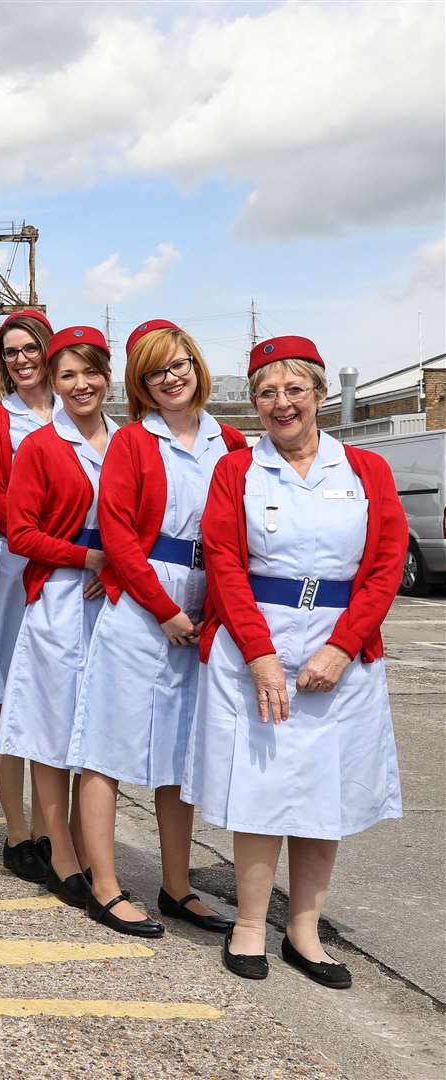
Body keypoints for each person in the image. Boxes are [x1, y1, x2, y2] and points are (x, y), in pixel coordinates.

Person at [186, 336, 405, 988]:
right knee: (260, 791)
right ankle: (252, 923)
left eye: (294, 390)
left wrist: (343, 645)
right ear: (254, 402)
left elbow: (388, 563)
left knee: (324, 793)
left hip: (341, 651)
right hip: (258, 647)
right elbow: (224, 566)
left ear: (319, 394)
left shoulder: (365, 470)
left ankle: (305, 931)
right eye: (266, 392)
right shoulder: (237, 472)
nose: (281, 403)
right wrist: (259, 656)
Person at [66, 321, 246, 937]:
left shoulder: (233, 444)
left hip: (208, 599)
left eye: (178, 365)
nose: (171, 378)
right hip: (146, 604)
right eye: (154, 372)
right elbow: (116, 534)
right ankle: (107, 887)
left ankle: (177, 887)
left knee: (181, 754)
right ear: (140, 385)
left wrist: (216, 614)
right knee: (108, 747)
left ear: (196, 365)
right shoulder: (133, 444)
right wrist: (162, 608)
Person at [0, 325, 118, 909]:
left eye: (88, 372)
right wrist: (89, 556)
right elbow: (19, 533)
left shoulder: (130, 442)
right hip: (60, 596)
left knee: (95, 731)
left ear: (107, 374)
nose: (79, 384)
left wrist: (117, 567)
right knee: (49, 731)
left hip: (113, 603)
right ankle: (62, 857)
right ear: (54, 380)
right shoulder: (41, 445)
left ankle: (93, 849)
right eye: (67, 374)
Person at [0, 309, 58, 884]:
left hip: (74, 573)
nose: (21, 360)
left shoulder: (83, 412)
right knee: (9, 698)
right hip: (16, 563)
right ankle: (18, 834)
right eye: (10, 352)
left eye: (30, 349)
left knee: (58, 699)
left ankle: (57, 831)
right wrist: (46, 537)